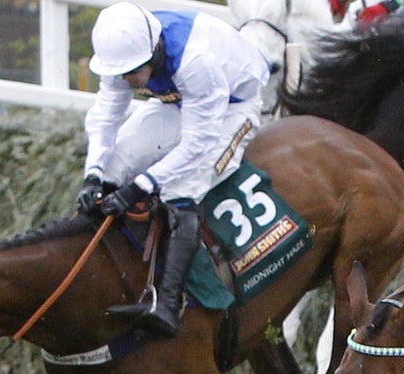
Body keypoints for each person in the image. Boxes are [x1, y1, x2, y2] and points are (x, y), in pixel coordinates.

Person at [78, 2, 270, 338]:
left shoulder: (195, 60)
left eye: (133, 71)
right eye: (121, 73)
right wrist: (94, 175)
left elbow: (198, 144)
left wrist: (141, 186)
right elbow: (105, 119)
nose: (127, 80)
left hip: (232, 109)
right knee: (115, 163)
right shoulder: (124, 55)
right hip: (180, 101)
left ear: (155, 50)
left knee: (181, 186)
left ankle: (168, 303)